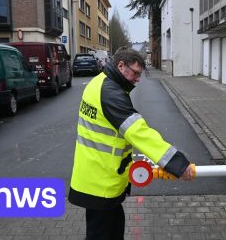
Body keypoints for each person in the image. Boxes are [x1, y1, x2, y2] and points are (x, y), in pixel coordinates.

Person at [68, 47, 194, 240]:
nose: (137, 79)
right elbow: (138, 132)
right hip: (100, 183)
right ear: (121, 65)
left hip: (97, 178)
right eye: (135, 73)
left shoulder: (100, 83)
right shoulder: (110, 92)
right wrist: (176, 163)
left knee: (112, 229)